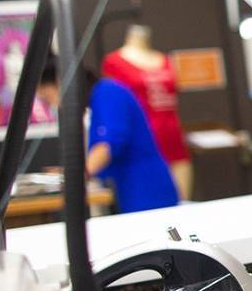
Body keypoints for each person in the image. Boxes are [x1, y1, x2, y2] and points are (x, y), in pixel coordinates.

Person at [36, 53, 180, 214]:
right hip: (130, 192)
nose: (54, 105)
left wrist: (76, 175)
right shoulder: (98, 99)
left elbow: (108, 144)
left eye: (48, 98)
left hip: (146, 192)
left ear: (60, 83)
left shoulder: (107, 93)